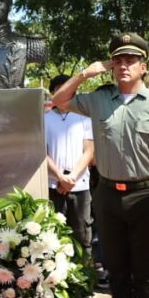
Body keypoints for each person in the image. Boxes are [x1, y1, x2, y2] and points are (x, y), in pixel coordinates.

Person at [51, 32, 149, 298]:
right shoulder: (98, 98)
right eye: (118, 60)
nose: (123, 65)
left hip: (147, 194)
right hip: (107, 193)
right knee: (117, 268)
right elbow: (58, 101)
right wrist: (84, 75)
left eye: (130, 60)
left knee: (145, 269)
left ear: (143, 67)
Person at [44, 75, 94, 253]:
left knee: (82, 235)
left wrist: (71, 177)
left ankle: (86, 276)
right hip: (52, 184)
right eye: (59, 90)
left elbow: (89, 150)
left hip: (79, 185)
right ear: (53, 94)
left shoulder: (84, 117)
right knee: (51, 235)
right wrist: (59, 176)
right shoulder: (44, 118)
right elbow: (42, 152)